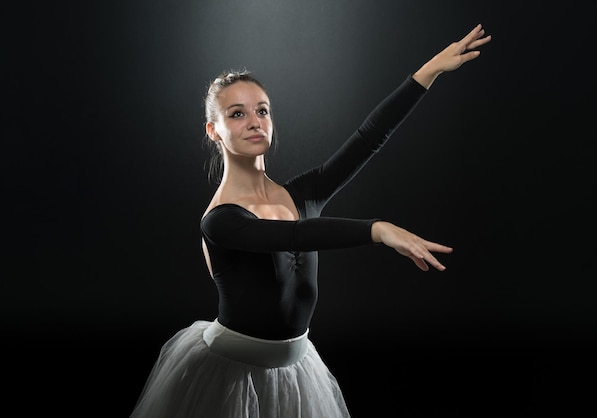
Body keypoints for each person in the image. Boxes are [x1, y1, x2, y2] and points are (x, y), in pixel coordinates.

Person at [130, 23, 491, 418]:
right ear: (213, 131)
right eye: (237, 114)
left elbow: (369, 137)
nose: (254, 121)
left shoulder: (302, 195)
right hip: (232, 374)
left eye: (262, 110)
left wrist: (428, 72)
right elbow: (295, 234)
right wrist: (377, 230)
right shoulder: (219, 221)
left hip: (297, 368)